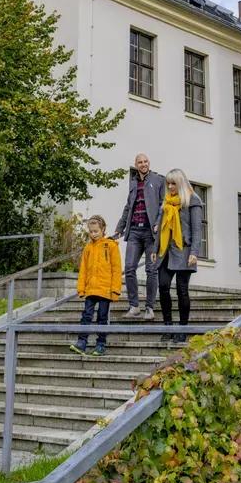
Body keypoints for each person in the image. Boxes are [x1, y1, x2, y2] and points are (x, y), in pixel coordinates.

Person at [154, 169, 204, 343]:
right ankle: (168, 326)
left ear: (181, 183)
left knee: (182, 290)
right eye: (168, 183)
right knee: (163, 286)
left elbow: (197, 230)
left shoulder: (193, 201)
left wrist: (194, 253)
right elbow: (160, 228)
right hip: (165, 251)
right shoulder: (166, 202)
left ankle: (183, 329)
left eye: (173, 183)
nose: (170, 186)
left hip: (184, 251)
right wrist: (155, 250)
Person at [114, 153, 164, 319]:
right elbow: (128, 207)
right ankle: (134, 306)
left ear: (149, 163)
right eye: (140, 162)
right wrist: (119, 229)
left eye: (145, 161)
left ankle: (149, 308)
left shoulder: (158, 180)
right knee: (129, 268)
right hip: (134, 231)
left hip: (151, 233)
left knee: (151, 270)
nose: (143, 164)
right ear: (136, 165)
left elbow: (163, 205)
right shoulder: (133, 182)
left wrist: (158, 222)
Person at [70, 215, 121, 356]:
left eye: (96, 231)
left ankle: (100, 344)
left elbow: (116, 269)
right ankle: (81, 342)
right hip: (91, 289)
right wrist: (81, 288)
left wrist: (115, 290)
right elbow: (83, 270)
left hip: (105, 289)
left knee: (102, 317)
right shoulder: (88, 248)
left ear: (103, 229)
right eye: (91, 232)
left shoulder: (111, 246)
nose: (93, 234)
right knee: (86, 315)